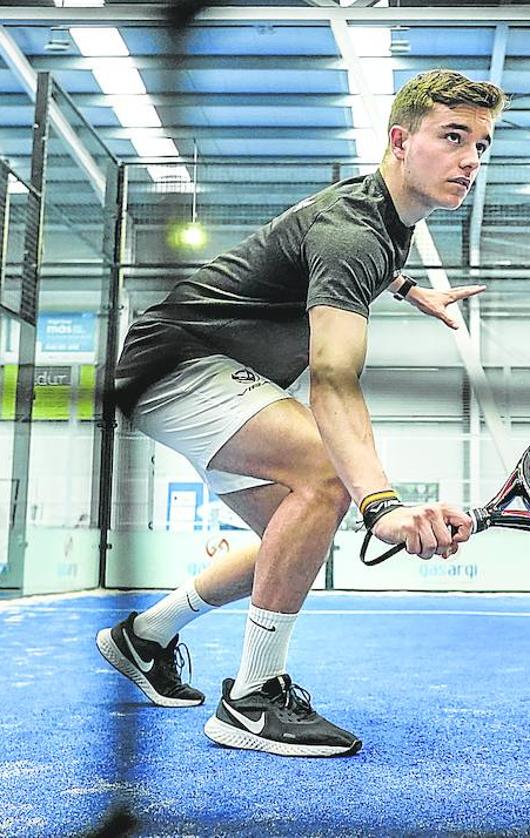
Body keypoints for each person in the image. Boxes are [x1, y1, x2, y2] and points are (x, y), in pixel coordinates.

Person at [95, 70, 506, 758]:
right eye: (453, 137)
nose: (470, 160)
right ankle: (253, 699)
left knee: (293, 531)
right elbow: (333, 378)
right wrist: (382, 504)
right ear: (401, 140)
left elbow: (357, 255)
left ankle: (144, 636)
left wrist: (408, 289)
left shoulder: (378, 221)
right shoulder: (355, 234)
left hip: (196, 365)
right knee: (324, 473)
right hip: (177, 362)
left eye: (483, 146)